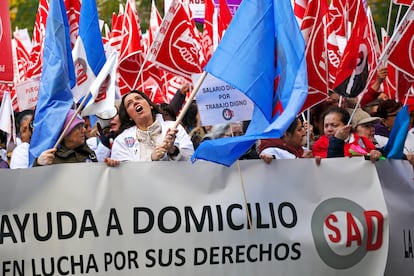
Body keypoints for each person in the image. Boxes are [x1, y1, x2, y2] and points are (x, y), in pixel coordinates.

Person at [105, 90, 194, 164]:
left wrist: (173, 151)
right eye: (129, 104)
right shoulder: (121, 140)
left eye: (138, 98)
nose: (135, 102)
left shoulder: (175, 128)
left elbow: (191, 162)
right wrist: (151, 158)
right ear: (129, 116)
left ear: (150, 105)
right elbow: (125, 175)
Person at [312, 107, 381, 161]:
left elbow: (375, 156)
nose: (329, 129)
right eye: (326, 126)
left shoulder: (363, 141)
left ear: (348, 126)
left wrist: (376, 154)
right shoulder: (319, 144)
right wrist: (337, 140)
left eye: (334, 125)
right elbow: (333, 164)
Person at [34, 109, 98, 166]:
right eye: (78, 127)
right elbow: (34, 178)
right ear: (64, 133)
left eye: (83, 126)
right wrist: (38, 164)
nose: (84, 130)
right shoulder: (50, 159)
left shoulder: (89, 153)